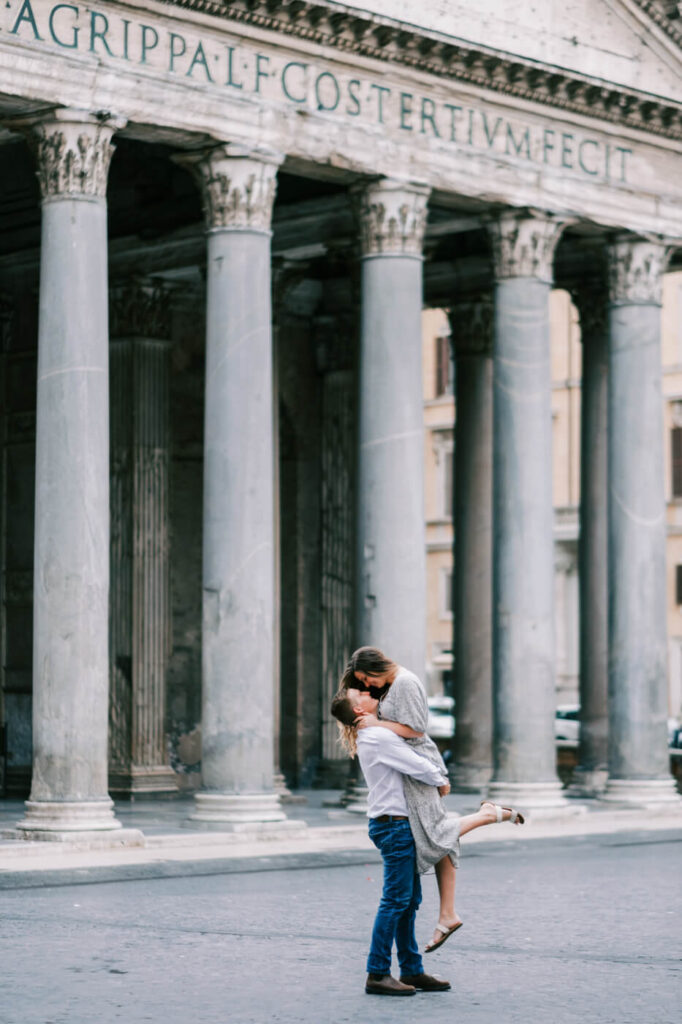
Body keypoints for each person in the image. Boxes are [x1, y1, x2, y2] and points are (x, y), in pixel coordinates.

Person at [341, 646, 525, 953]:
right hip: (413, 767)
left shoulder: (405, 682)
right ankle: (447, 914)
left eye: (365, 679)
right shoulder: (391, 687)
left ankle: (488, 815)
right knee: (437, 835)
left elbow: (416, 730)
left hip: (419, 765)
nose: (367, 686)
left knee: (437, 833)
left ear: (375, 667)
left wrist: (377, 724)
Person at [330, 687, 452, 996]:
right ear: (360, 711)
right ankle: (377, 972)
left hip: (395, 824)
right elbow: (416, 765)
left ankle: (411, 969)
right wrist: (440, 779)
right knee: (396, 900)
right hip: (395, 826)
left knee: (408, 902)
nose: (367, 692)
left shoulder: (373, 733)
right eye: (360, 693)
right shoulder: (377, 736)